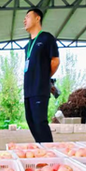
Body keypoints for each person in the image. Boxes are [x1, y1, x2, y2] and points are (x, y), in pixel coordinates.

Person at [22, 8, 59, 143]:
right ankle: (41, 148)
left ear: (37, 18)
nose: (24, 20)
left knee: (40, 122)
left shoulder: (46, 38)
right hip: (28, 90)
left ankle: (49, 152)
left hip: (40, 88)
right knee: (31, 121)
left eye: (27, 17)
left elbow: (55, 61)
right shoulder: (27, 46)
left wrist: (43, 77)